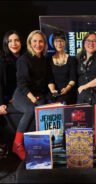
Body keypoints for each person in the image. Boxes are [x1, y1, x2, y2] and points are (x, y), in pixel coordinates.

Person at [12, 30, 54, 160]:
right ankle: (17, 145)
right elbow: (22, 83)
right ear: (30, 42)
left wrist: (53, 91)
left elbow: (49, 79)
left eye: (40, 41)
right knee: (31, 109)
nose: (38, 44)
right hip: (22, 94)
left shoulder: (45, 59)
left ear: (44, 43)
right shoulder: (24, 59)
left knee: (43, 109)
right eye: (34, 41)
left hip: (36, 94)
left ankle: (38, 145)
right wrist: (32, 98)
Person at [47, 30, 77, 104]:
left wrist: (67, 88)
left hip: (68, 91)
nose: (59, 44)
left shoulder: (72, 59)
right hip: (54, 91)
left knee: (62, 102)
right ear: (53, 43)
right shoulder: (49, 60)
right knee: (49, 101)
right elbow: (49, 79)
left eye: (61, 41)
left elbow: (73, 78)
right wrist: (53, 90)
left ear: (65, 42)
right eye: (56, 41)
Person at [0, 30, 24, 114]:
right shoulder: (2, 61)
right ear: (6, 43)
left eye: (16, 40)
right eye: (10, 41)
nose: (14, 44)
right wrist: (1, 103)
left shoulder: (26, 58)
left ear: (21, 42)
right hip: (9, 99)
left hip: (25, 95)